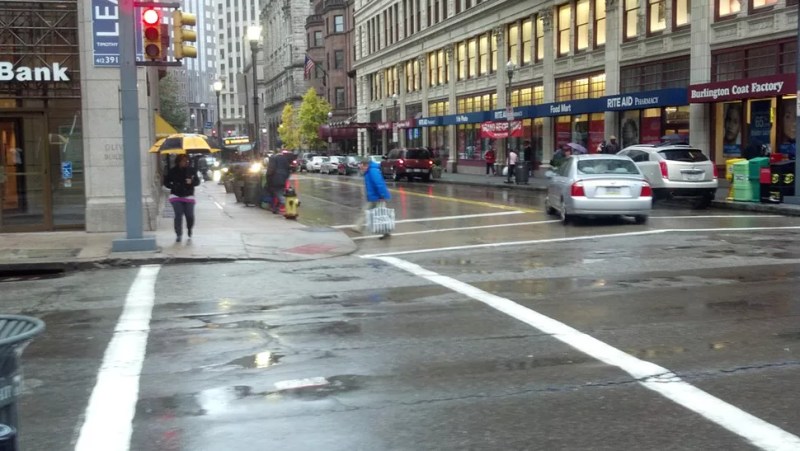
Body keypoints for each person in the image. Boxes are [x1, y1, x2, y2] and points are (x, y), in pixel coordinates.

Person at [163, 154, 200, 243]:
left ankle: (189, 228)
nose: (186, 162)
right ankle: (178, 234)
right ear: (178, 162)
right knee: (178, 215)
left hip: (188, 195)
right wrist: (173, 186)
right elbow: (166, 182)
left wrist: (191, 182)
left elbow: (197, 182)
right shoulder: (172, 171)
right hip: (176, 196)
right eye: (183, 161)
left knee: (189, 215)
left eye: (187, 161)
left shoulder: (191, 170)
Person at [355, 157, 392, 238]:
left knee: (381, 215)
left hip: (379, 197)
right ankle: (358, 228)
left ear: (366, 165)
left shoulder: (373, 171)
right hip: (373, 196)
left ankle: (386, 232)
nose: (360, 167)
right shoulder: (368, 171)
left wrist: (382, 195)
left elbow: (379, 183)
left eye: (361, 165)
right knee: (365, 211)